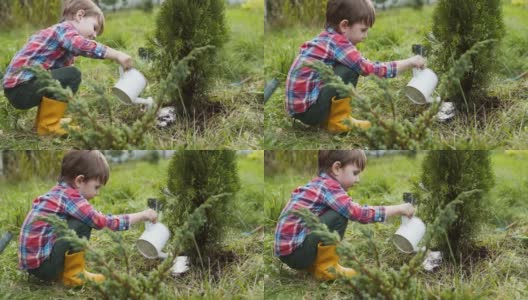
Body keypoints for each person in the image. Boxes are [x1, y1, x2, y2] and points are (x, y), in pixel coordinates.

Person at [18, 150, 157, 287]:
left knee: (77, 221)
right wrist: (142, 215)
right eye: (96, 187)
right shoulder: (70, 197)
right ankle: (73, 275)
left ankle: (66, 271)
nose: (97, 193)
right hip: (44, 269)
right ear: (79, 180)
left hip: (33, 266)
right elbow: (102, 222)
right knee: (82, 223)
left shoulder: (58, 192)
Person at [285, 0, 425, 133]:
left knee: (347, 65)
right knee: (350, 69)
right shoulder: (338, 43)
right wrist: (409, 62)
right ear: (344, 25)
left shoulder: (326, 37)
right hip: (309, 112)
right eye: (363, 30)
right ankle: (339, 121)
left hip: (298, 109)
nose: (366, 36)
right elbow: (369, 69)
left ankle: (330, 118)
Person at [274, 150, 415, 280]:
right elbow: (359, 213)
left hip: (288, 252)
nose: (358, 179)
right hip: (296, 254)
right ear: (336, 168)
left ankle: (314, 264)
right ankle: (327, 268)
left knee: (335, 213)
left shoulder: (319, 183)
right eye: (355, 173)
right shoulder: (329, 187)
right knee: (339, 216)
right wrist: (398, 209)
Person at [2, 0, 133, 136]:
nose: (95, 36)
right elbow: (82, 45)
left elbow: (59, 84)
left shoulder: (62, 39)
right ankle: (48, 126)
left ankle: (44, 123)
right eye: (94, 28)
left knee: (66, 76)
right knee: (72, 75)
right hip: (21, 88)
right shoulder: (64, 29)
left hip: (21, 88)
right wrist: (117, 54)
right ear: (80, 15)